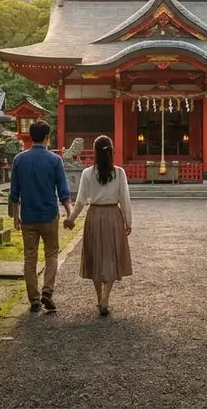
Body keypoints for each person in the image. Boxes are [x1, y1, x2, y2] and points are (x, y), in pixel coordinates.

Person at [64, 135, 132, 317]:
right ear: (111, 151)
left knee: (94, 255)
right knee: (110, 256)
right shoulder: (119, 173)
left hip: (94, 215)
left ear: (94, 151)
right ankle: (106, 299)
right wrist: (128, 221)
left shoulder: (87, 173)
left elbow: (80, 201)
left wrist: (71, 219)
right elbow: (125, 199)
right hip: (113, 215)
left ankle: (98, 296)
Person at [9, 121, 72, 313]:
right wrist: (69, 212)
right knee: (51, 254)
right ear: (47, 137)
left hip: (28, 216)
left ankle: (34, 300)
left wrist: (15, 217)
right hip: (49, 214)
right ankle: (47, 291)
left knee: (30, 258)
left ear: (30, 137)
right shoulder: (54, 160)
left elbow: (14, 192)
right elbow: (62, 190)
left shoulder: (19, 160)